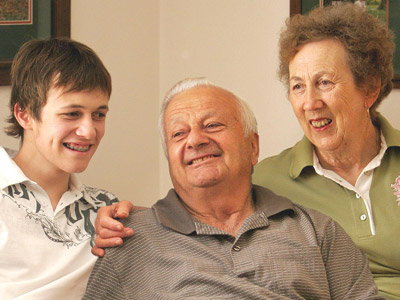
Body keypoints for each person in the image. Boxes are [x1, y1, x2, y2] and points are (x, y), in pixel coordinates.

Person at [83, 78, 382, 299]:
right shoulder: (130, 239)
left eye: (212, 125)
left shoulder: (316, 230)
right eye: (178, 133)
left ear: (252, 146)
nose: (195, 140)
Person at [252, 3, 399, 300]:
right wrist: (131, 218)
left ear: (369, 89)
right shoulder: (265, 181)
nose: (309, 102)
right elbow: (200, 218)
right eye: (297, 86)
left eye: (323, 82)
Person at [0, 37, 130, 300]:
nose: (89, 131)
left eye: (99, 115)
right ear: (24, 115)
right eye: (72, 113)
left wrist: (130, 221)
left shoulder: (105, 211)